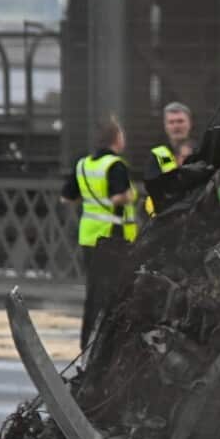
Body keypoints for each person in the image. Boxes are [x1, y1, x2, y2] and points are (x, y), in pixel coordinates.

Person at [62, 117, 145, 348]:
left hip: (89, 236)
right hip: (112, 237)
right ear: (117, 139)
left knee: (94, 293)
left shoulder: (83, 165)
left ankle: (86, 342)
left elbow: (66, 197)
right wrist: (129, 196)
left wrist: (92, 199)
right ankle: (107, 344)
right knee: (114, 294)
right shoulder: (115, 165)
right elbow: (118, 196)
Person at [144, 102, 195, 216]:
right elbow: (153, 189)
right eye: (171, 122)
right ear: (165, 126)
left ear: (190, 123)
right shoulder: (157, 155)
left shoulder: (200, 151)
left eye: (180, 121)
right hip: (166, 217)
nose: (176, 126)